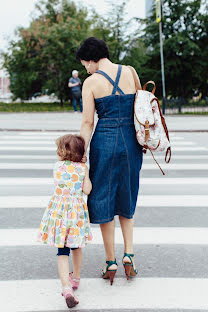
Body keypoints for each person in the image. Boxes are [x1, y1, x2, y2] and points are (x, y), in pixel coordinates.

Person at [76, 37, 143, 285]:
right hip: (131, 142)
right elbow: (140, 106)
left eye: (85, 64)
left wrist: (81, 156)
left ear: (92, 58)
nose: (86, 68)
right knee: (127, 195)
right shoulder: (130, 72)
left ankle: (111, 261)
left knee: (103, 197)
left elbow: (87, 123)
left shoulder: (91, 82)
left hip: (104, 142)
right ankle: (129, 255)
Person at [37, 134, 92, 308]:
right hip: (75, 215)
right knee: (77, 248)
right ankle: (75, 279)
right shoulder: (82, 168)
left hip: (59, 214)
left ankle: (66, 288)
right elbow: (87, 190)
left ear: (64, 152)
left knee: (62, 252)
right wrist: (86, 170)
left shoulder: (58, 166)